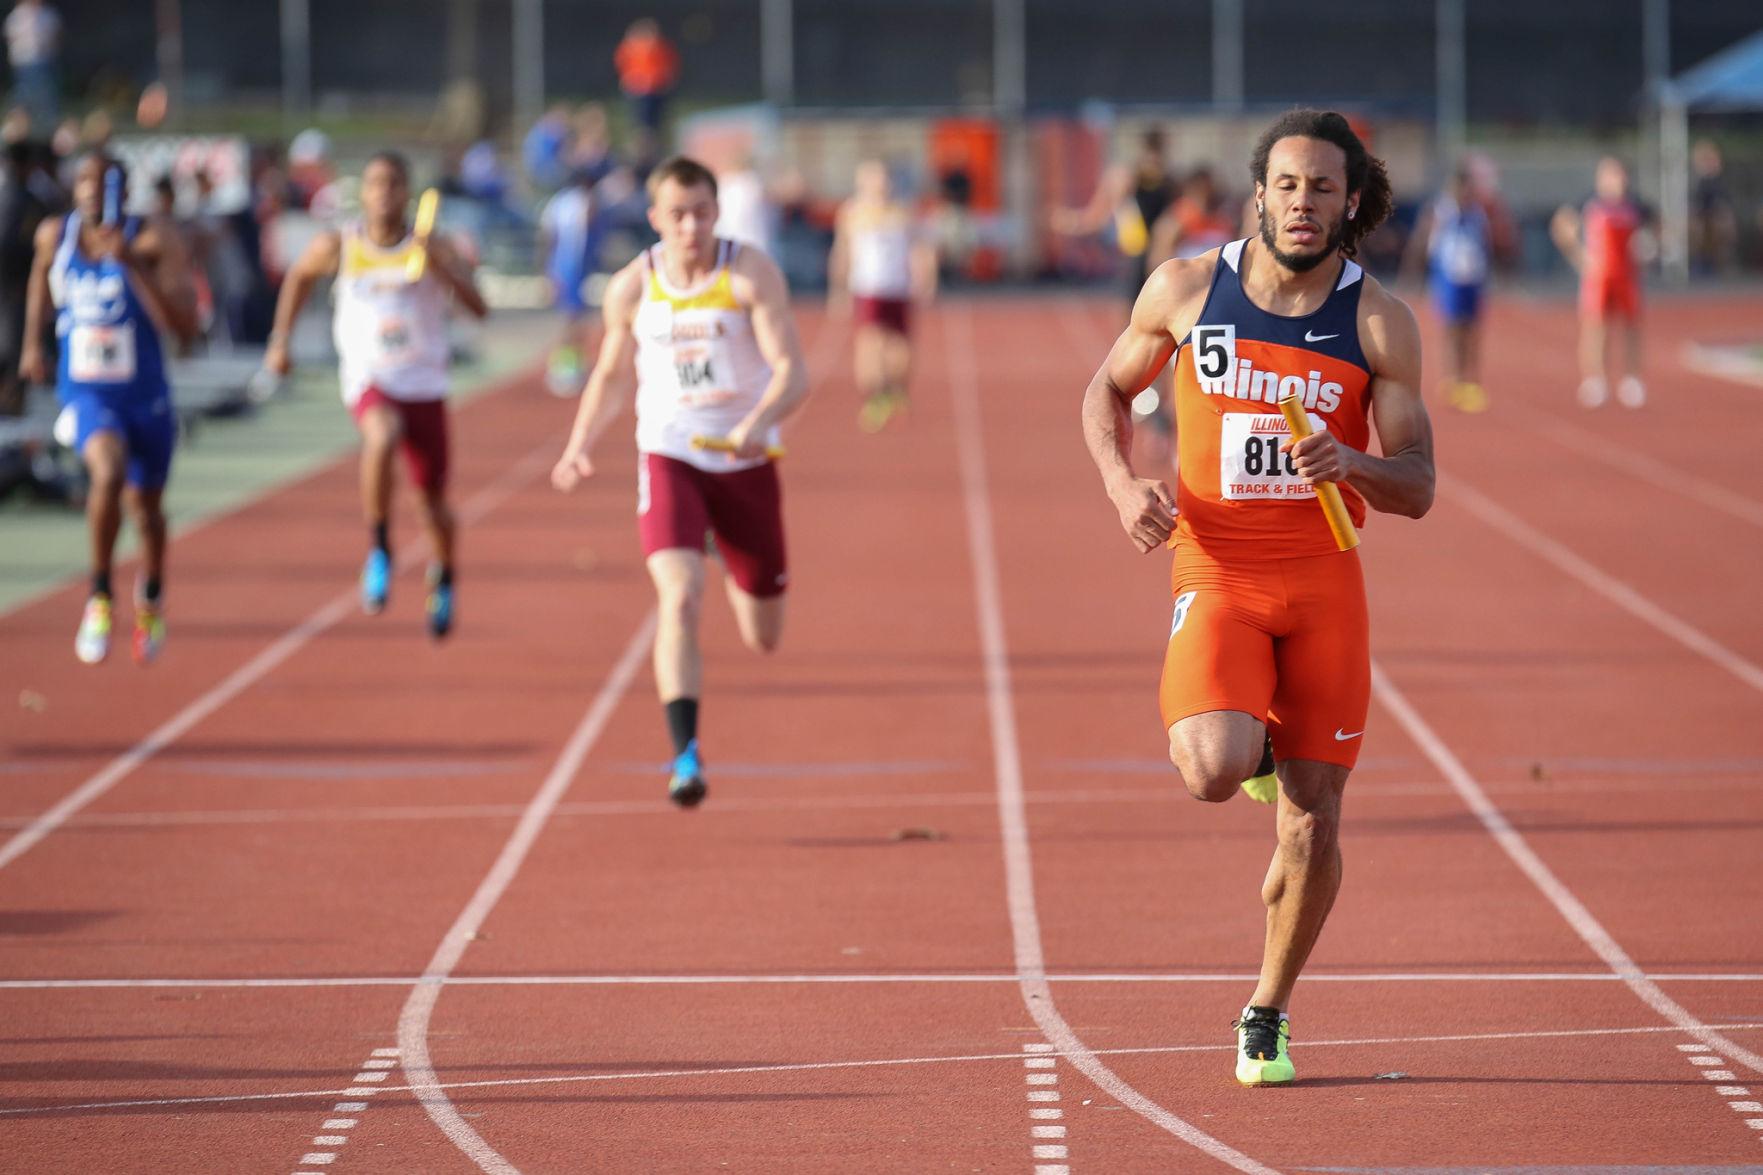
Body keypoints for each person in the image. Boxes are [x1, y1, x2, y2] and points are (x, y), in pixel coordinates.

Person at [1080, 109, 1434, 1087]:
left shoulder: (1375, 322)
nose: (1302, 203)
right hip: (1217, 567)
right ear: (1259, 193)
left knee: (1313, 820)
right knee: (1210, 762)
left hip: (1322, 579)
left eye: (1322, 188)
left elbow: (1418, 485)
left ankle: (1265, 1008)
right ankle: (1259, 743)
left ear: (1349, 202)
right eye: (1286, 185)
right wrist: (1119, 485)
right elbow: (1104, 391)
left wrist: (1353, 459)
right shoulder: (1188, 289)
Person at [551, 156, 809, 809]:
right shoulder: (631, 287)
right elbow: (610, 375)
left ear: (715, 212)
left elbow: (792, 371)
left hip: (744, 459)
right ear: (654, 218)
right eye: (676, 214)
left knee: (764, 634)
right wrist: (579, 443)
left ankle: (724, 545)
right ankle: (684, 754)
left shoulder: (748, 273)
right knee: (681, 596)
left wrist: (758, 420)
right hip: (669, 452)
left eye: (699, 211)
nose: (689, 226)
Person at [265, 151, 488, 638]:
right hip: (371, 379)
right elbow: (299, 278)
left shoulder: (434, 244)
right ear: (362, 193)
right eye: (375, 183)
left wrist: (439, 267)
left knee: (432, 504)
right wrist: (281, 340)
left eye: (393, 183)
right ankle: (381, 547)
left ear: (407, 192)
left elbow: (479, 308)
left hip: (425, 384)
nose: (384, 193)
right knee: (380, 437)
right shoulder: (340, 245)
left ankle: (444, 575)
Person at [21, 152, 197, 664]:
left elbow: (184, 324)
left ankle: (153, 593)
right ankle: (100, 594)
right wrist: (34, 344)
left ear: (124, 187)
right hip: (87, 392)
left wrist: (133, 264)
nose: (93, 191)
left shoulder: (154, 239)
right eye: (84, 181)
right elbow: (40, 282)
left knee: (147, 514)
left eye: (105, 182)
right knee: (107, 473)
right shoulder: (57, 236)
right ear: (74, 189)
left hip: (146, 398)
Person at [1054, 128, 1181, 458]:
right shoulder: (1165, 181)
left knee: (1138, 341)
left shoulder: (1129, 178)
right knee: (1162, 345)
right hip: (1164, 268)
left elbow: (1096, 217)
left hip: (1145, 266)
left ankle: (1147, 407)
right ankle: (1154, 411)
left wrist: (1069, 223)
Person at [828, 160, 935, 433]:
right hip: (867, 288)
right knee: (871, 342)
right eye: (874, 179)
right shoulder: (852, 212)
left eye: (884, 179)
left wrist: (925, 280)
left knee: (902, 348)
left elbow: (920, 248)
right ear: (863, 182)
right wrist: (838, 290)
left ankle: (897, 390)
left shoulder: (903, 212)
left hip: (899, 287)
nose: (880, 185)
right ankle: (875, 396)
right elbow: (842, 251)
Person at [1551, 157, 1650, 409]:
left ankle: (1631, 379)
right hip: (1598, 276)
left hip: (1626, 276)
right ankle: (1595, 379)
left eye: (1619, 175)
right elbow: (1560, 225)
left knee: (1631, 327)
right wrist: (1579, 256)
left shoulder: (1636, 205)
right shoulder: (1588, 202)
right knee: (1596, 327)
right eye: (1610, 175)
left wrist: (1648, 248)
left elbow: (1656, 229)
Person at [1405, 165, 1491, 413]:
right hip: (1448, 277)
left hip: (1472, 278)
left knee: (1472, 330)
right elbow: (1422, 240)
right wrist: (1414, 275)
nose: (1467, 193)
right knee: (1452, 329)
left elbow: (1484, 244)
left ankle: (1469, 380)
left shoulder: (1477, 213)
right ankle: (1453, 379)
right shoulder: (1441, 210)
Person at [537, 167, 606, 394]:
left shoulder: (557, 202)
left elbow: (547, 236)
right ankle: (564, 367)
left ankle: (571, 365)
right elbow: (588, 224)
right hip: (572, 266)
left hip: (561, 265)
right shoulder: (583, 201)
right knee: (572, 320)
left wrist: (546, 269)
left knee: (573, 319)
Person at [614, 19, 679, 141]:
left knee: (655, 123)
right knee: (639, 123)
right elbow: (623, 66)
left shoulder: (660, 47)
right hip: (638, 92)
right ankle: (642, 146)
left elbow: (668, 67)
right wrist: (631, 79)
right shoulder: (630, 48)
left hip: (655, 90)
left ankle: (653, 145)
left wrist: (663, 79)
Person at [5, 0, 59, 126]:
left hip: (43, 62)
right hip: (23, 63)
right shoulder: (16, 16)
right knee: (24, 94)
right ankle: (20, 123)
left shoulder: (47, 14)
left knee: (44, 93)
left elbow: (56, 36)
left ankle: (46, 121)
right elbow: (11, 39)